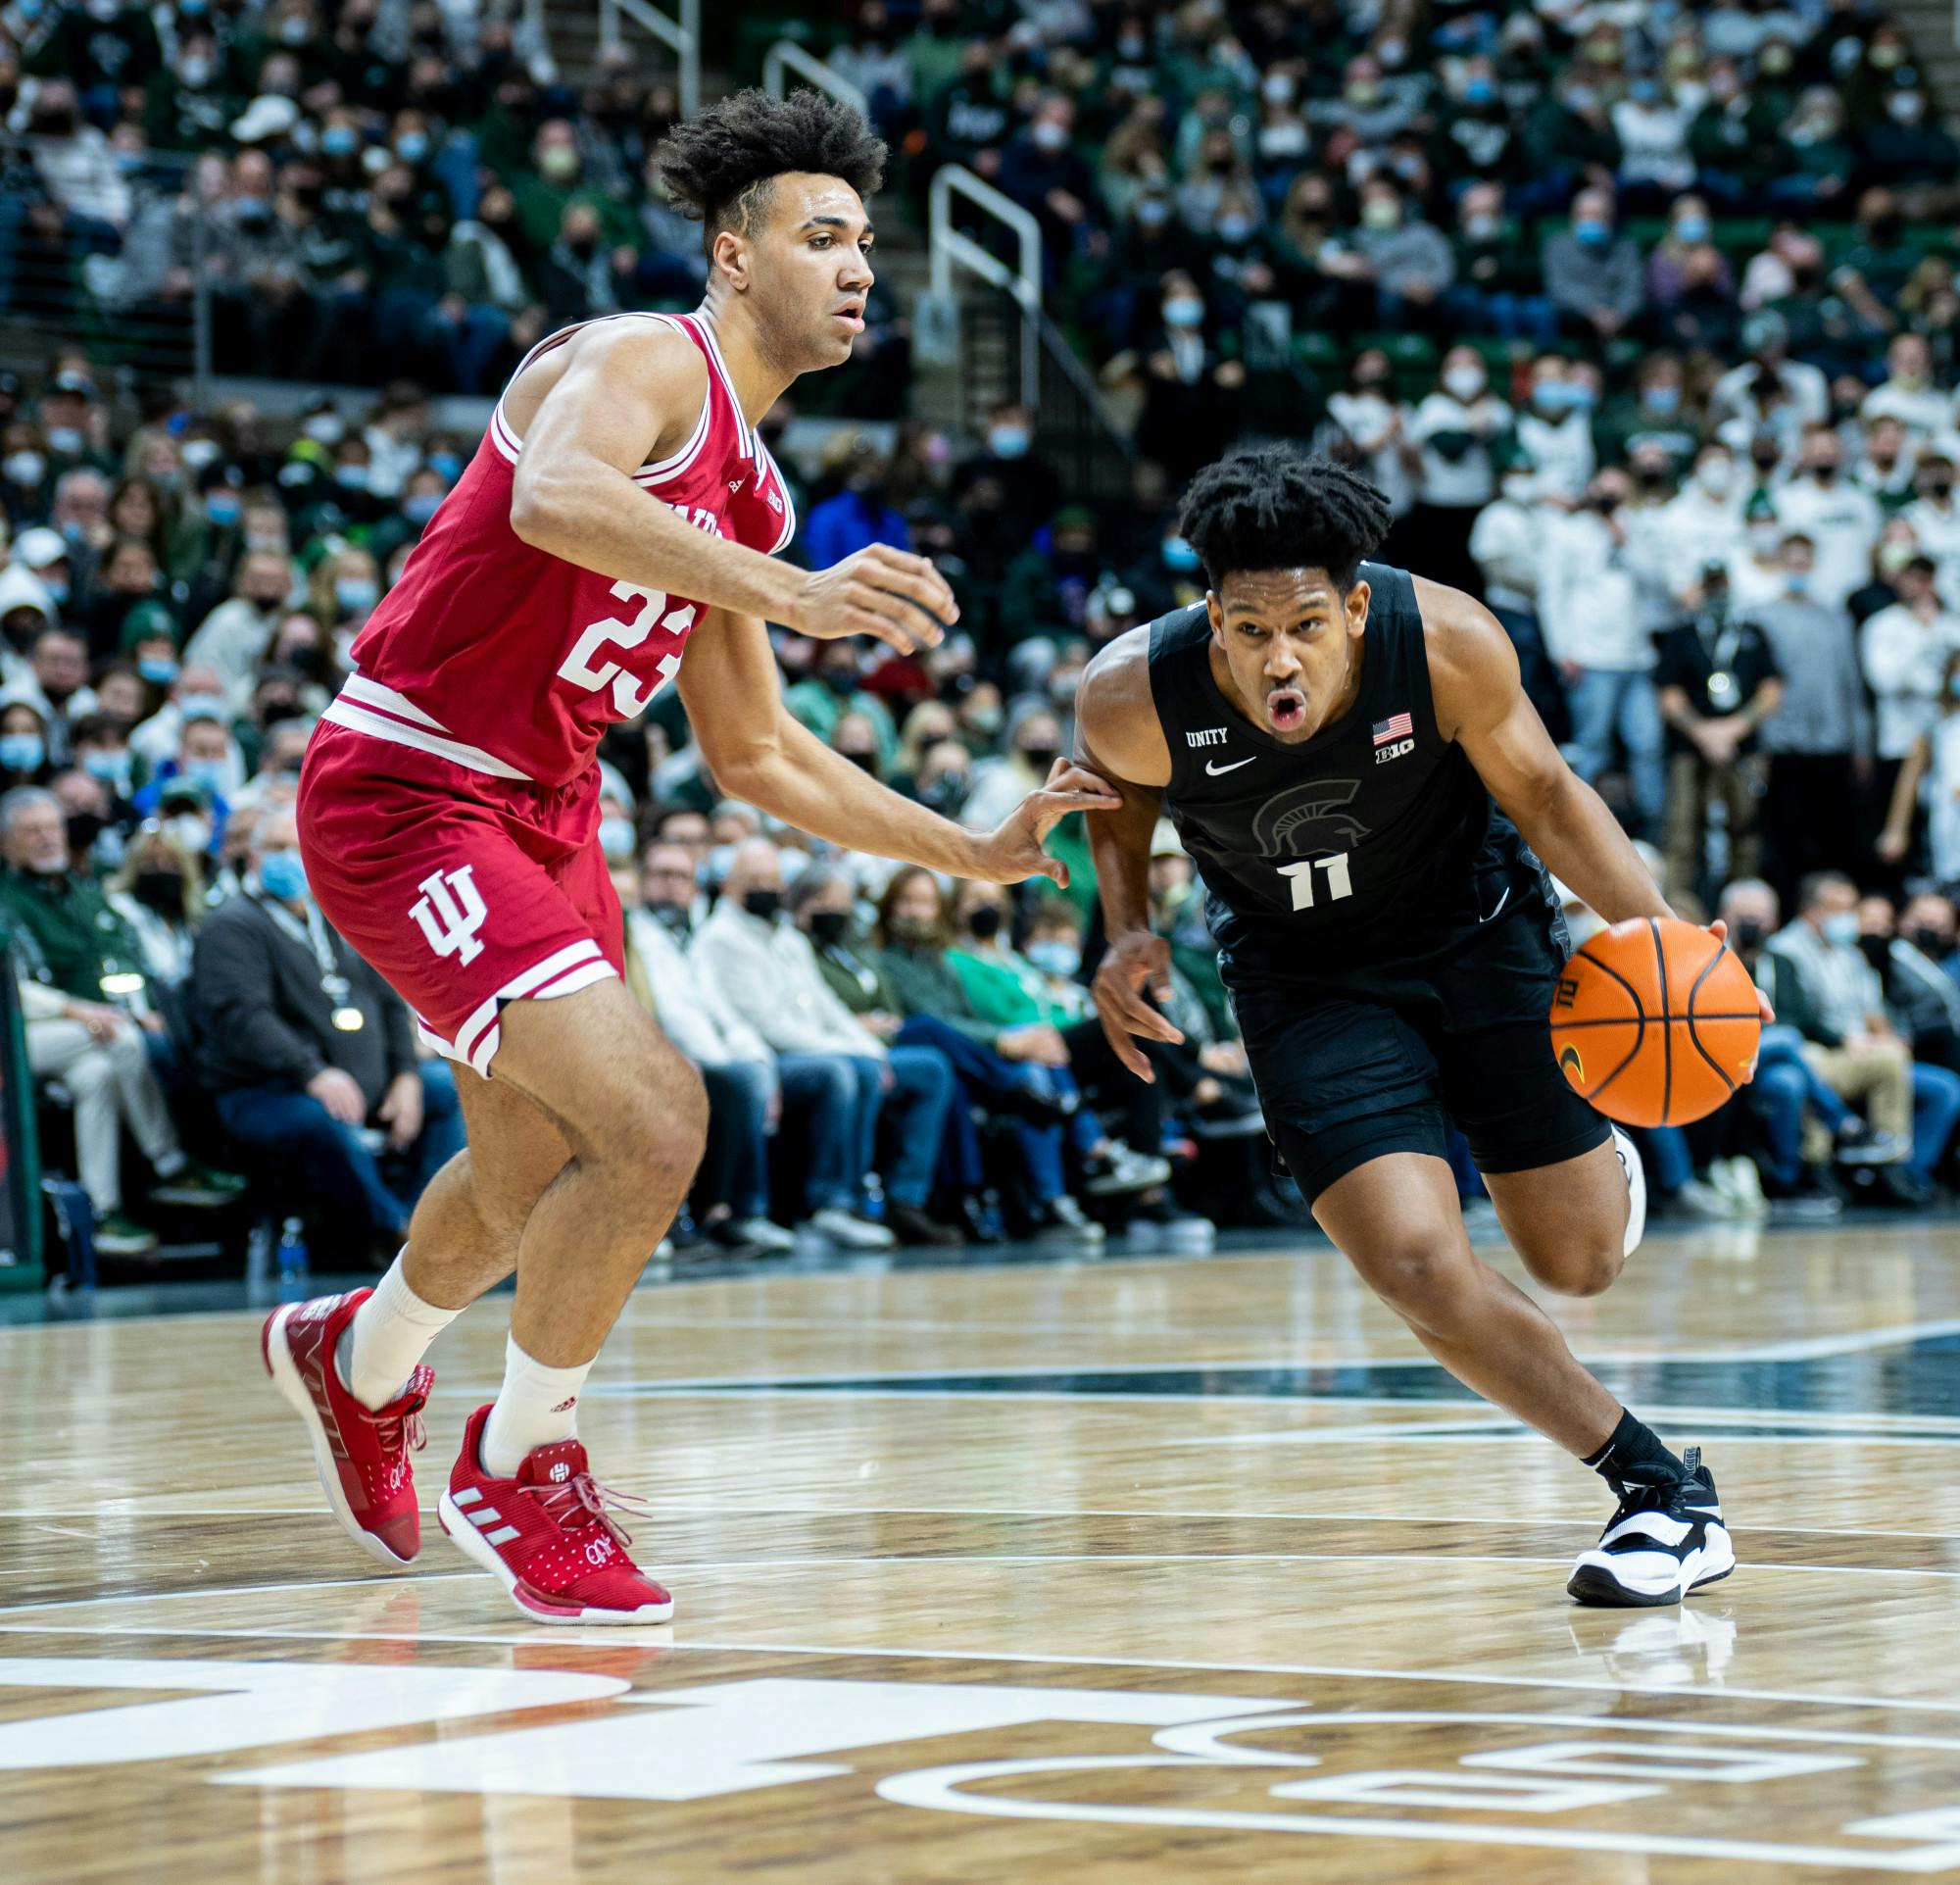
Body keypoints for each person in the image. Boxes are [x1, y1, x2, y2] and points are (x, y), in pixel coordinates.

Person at [269, 91, 1117, 1622]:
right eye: (822, 235)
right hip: (409, 786)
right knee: (659, 1118)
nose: (858, 266)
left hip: (543, 810)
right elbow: (556, 496)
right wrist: (790, 592)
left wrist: (975, 846)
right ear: (734, 254)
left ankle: (363, 1354)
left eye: (866, 242)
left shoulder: (758, 489)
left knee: (532, 1163)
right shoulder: (648, 359)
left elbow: (760, 758)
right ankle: (522, 1459)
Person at [1076, 448, 1761, 1608]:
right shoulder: (1128, 692)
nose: (1275, 658)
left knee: (1577, 1263)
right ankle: (1661, 1495)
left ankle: (1600, 1160)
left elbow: (1544, 795)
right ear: (1211, 618)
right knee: (1408, 1260)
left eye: (1301, 624)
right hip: (1301, 979)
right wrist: (1126, 927)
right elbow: (1117, 797)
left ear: (1352, 605)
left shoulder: (1444, 642)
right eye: (1246, 631)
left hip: (1478, 935)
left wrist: (1660, 935)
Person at [192, 806, 465, 1253]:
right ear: (254, 857)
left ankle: (428, 1221)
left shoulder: (337, 912)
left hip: (362, 1083)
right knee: (322, 1121)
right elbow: (244, 1018)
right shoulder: (231, 925)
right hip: (268, 1091)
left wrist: (406, 1075)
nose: (291, 859)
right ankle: (392, 1231)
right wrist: (312, 1073)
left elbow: (389, 998)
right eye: (278, 848)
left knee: (447, 1088)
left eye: (301, 848)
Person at [0, 785, 220, 1255]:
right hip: (15, 1036)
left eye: (52, 827)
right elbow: (11, 986)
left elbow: (116, 963)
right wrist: (77, 1010)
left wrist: (138, 1012)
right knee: (119, 1041)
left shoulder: (83, 892)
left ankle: (103, 1214)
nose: (47, 839)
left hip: (78, 1033)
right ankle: (169, 1162)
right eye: (31, 831)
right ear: (6, 844)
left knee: (95, 1075)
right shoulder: (6, 899)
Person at [1653, 566, 1783, 914]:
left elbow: (1771, 689)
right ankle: (1676, 910)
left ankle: (1744, 908)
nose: (1717, 595)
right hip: (1690, 747)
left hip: (1742, 748)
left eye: (1722, 586)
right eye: (1710, 587)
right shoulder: (1681, 636)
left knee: (1747, 828)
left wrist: (1732, 730)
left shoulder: (1752, 633)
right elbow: (1668, 694)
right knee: (1681, 831)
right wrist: (1703, 732)